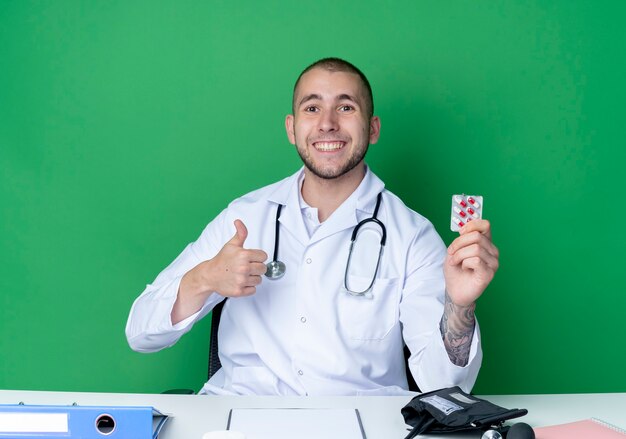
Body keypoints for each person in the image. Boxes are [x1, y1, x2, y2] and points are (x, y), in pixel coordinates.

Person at [125, 57, 499, 396]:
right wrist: (203, 278)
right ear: (292, 128)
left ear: (373, 129)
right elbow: (140, 332)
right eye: (312, 107)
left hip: (363, 426)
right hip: (242, 418)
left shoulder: (412, 235)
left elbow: (445, 386)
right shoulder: (246, 216)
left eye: (346, 107)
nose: (327, 123)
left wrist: (459, 306)